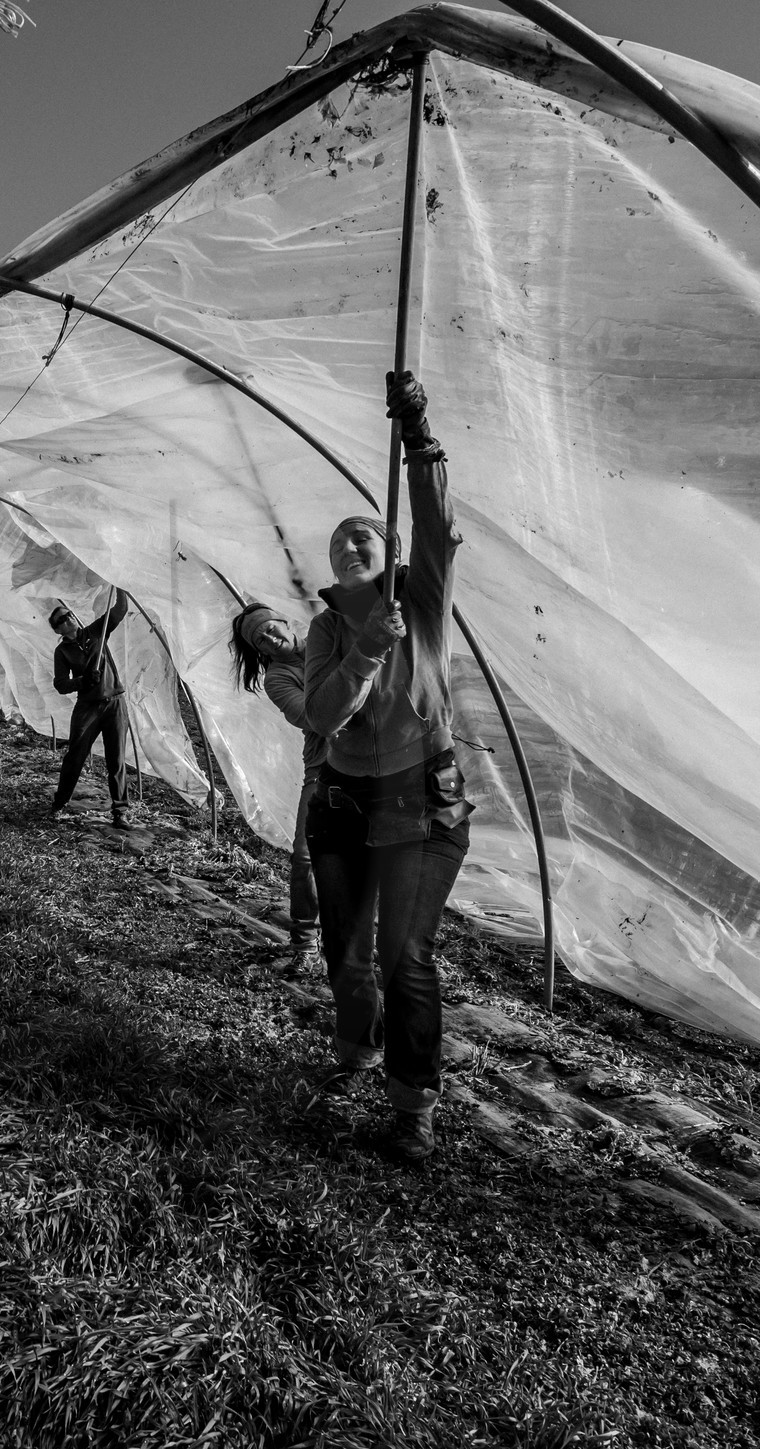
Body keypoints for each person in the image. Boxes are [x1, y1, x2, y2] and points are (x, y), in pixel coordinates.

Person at [302, 372, 474, 1162]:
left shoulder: (423, 604)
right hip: (344, 801)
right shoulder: (328, 629)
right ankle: (357, 1053)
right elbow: (323, 714)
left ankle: (412, 1105)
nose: (348, 543)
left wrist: (418, 437)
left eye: (362, 533)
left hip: (418, 801)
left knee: (407, 958)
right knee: (347, 954)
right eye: (338, 541)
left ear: (389, 548)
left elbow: (438, 527)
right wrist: (369, 647)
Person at [230, 603, 323, 976]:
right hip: (325, 766)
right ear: (260, 652)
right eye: (260, 640)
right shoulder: (278, 678)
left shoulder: (326, 638)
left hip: (377, 761)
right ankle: (304, 942)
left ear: (285, 622)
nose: (270, 639)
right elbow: (311, 717)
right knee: (305, 857)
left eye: (270, 628)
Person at [48, 590, 131, 830]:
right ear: (58, 630)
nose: (69, 619)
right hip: (88, 707)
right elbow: (61, 685)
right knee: (75, 755)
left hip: (114, 702)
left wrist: (120, 585)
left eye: (69, 615)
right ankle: (59, 803)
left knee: (116, 759)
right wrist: (84, 680)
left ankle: (120, 812)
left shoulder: (96, 632)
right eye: (62, 620)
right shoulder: (62, 652)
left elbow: (120, 610)